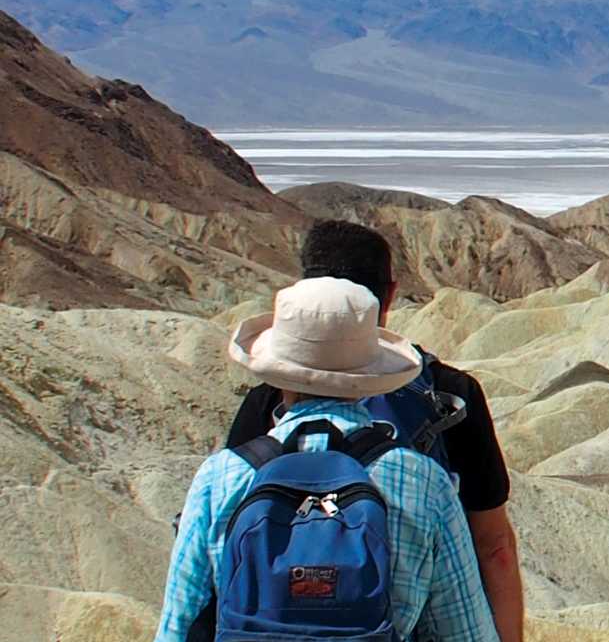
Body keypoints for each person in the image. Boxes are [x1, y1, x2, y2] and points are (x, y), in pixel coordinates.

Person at [223, 220, 526, 642]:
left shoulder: (252, 426)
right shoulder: (449, 401)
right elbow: (494, 549)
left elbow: (199, 590)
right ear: (391, 295)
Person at [155, 277, 500, 642]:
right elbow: (466, 632)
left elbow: (177, 625)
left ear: (278, 375)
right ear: (370, 377)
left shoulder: (221, 477)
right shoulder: (422, 483)